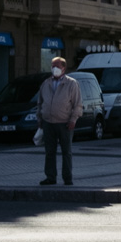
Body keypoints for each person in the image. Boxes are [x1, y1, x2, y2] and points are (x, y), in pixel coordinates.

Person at [36, 56, 83, 185]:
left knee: (66, 152)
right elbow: (40, 103)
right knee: (49, 152)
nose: (54, 68)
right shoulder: (46, 83)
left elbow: (77, 104)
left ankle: (67, 178)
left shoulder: (72, 84)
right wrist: (39, 118)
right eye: (52, 66)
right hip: (48, 123)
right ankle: (50, 177)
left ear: (63, 68)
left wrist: (73, 120)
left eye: (57, 66)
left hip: (65, 123)